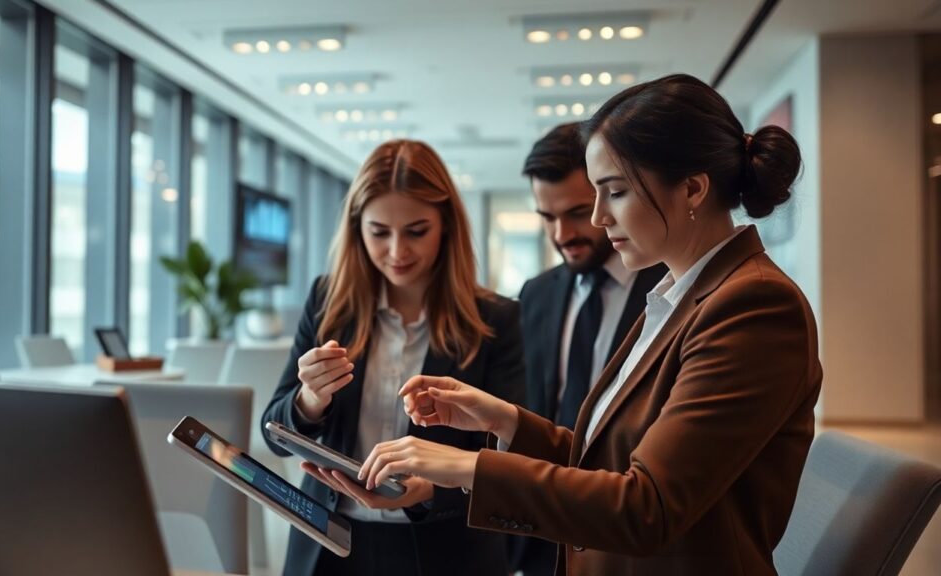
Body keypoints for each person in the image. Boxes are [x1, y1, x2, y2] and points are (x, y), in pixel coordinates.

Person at [356, 74, 823, 575]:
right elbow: (611, 461)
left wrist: (467, 466)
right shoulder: (682, 295)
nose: (599, 218)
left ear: (692, 188)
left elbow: (647, 506)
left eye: (614, 192)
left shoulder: (753, 305)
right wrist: (503, 420)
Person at [261, 139, 525, 576]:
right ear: (356, 228)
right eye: (379, 232)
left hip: (445, 552)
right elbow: (273, 434)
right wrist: (309, 399)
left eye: (416, 231)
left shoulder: (496, 320)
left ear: (446, 226)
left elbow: (512, 468)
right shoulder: (328, 302)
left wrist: (430, 491)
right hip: (328, 546)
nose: (397, 251)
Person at [514, 123, 666, 576]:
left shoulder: (668, 291)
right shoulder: (535, 294)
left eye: (578, 212)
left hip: (627, 535)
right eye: (546, 217)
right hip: (540, 534)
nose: (563, 233)